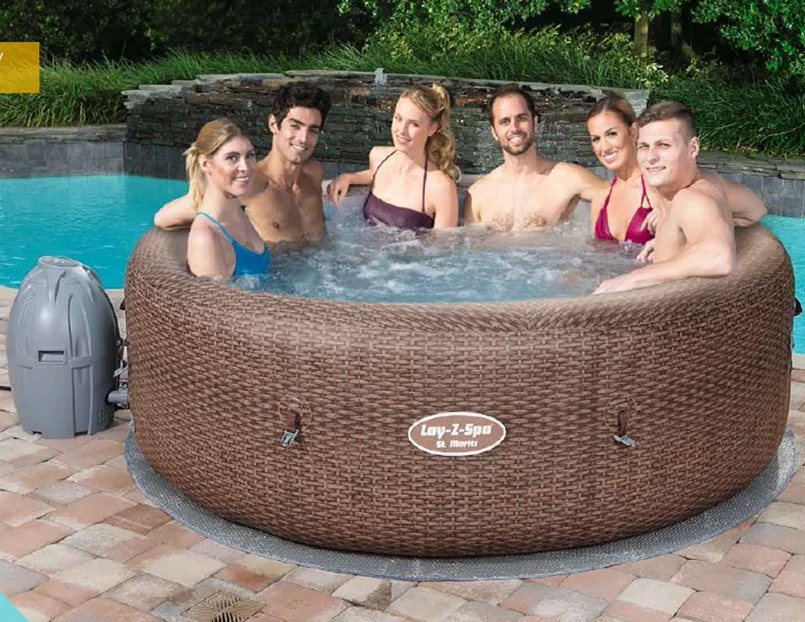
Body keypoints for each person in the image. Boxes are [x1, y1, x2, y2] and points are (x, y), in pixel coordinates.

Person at [154, 81, 332, 245]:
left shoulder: (312, 172)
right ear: (273, 124)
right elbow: (164, 218)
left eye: (313, 130)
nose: (303, 139)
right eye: (295, 126)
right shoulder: (249, 183)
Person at [594, 101, 737, 294]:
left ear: (693, 148)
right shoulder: (704, 183)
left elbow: (719, 258)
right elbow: (752, 211)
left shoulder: (691, 198)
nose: (650, 157)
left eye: (663, 145)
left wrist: (632, 279)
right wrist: (672, 237)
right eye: (644, 146)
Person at [586, 94, 767, 245]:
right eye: (596, 139)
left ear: (633, 131)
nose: (604, 147)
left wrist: (675, 215)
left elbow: (755, 210)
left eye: (612, 134)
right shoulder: (602, 197)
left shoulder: (661, 182)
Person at [464, 84, 607, 229]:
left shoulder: (568, 178)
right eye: (504, 122)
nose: (514, 128)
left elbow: (615, 196)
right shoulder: (478, 194)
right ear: (494, 132)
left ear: (535, 122)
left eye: (522, 118)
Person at [326, 84, 459, 229]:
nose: (401, 130)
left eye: (414, 124)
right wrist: (348, 177)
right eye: (398, 118)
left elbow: (446, 242)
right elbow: (373, 174)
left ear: (432, 129)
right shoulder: (379, 157)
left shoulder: (441, 187)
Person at [184, 119, 270, 278]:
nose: (245, 167)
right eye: (232, 158)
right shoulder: (205, 238)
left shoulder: (239, 212)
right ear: (205, 164)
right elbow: (211, 296)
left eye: (249, 156)